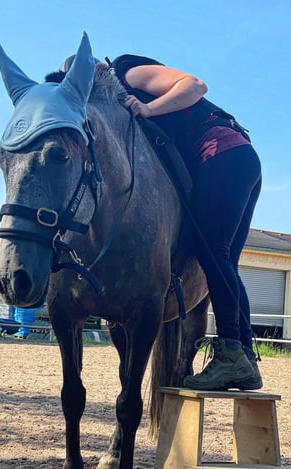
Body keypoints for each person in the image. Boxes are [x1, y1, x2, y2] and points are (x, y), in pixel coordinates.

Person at [110, 54, 263, 391]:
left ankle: (231, 355)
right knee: (224, 264)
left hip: (220, 152)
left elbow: (195, 85)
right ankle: (245, 359)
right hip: (238, 157)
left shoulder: (126, 72)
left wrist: (148, 109)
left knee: (214, 257)